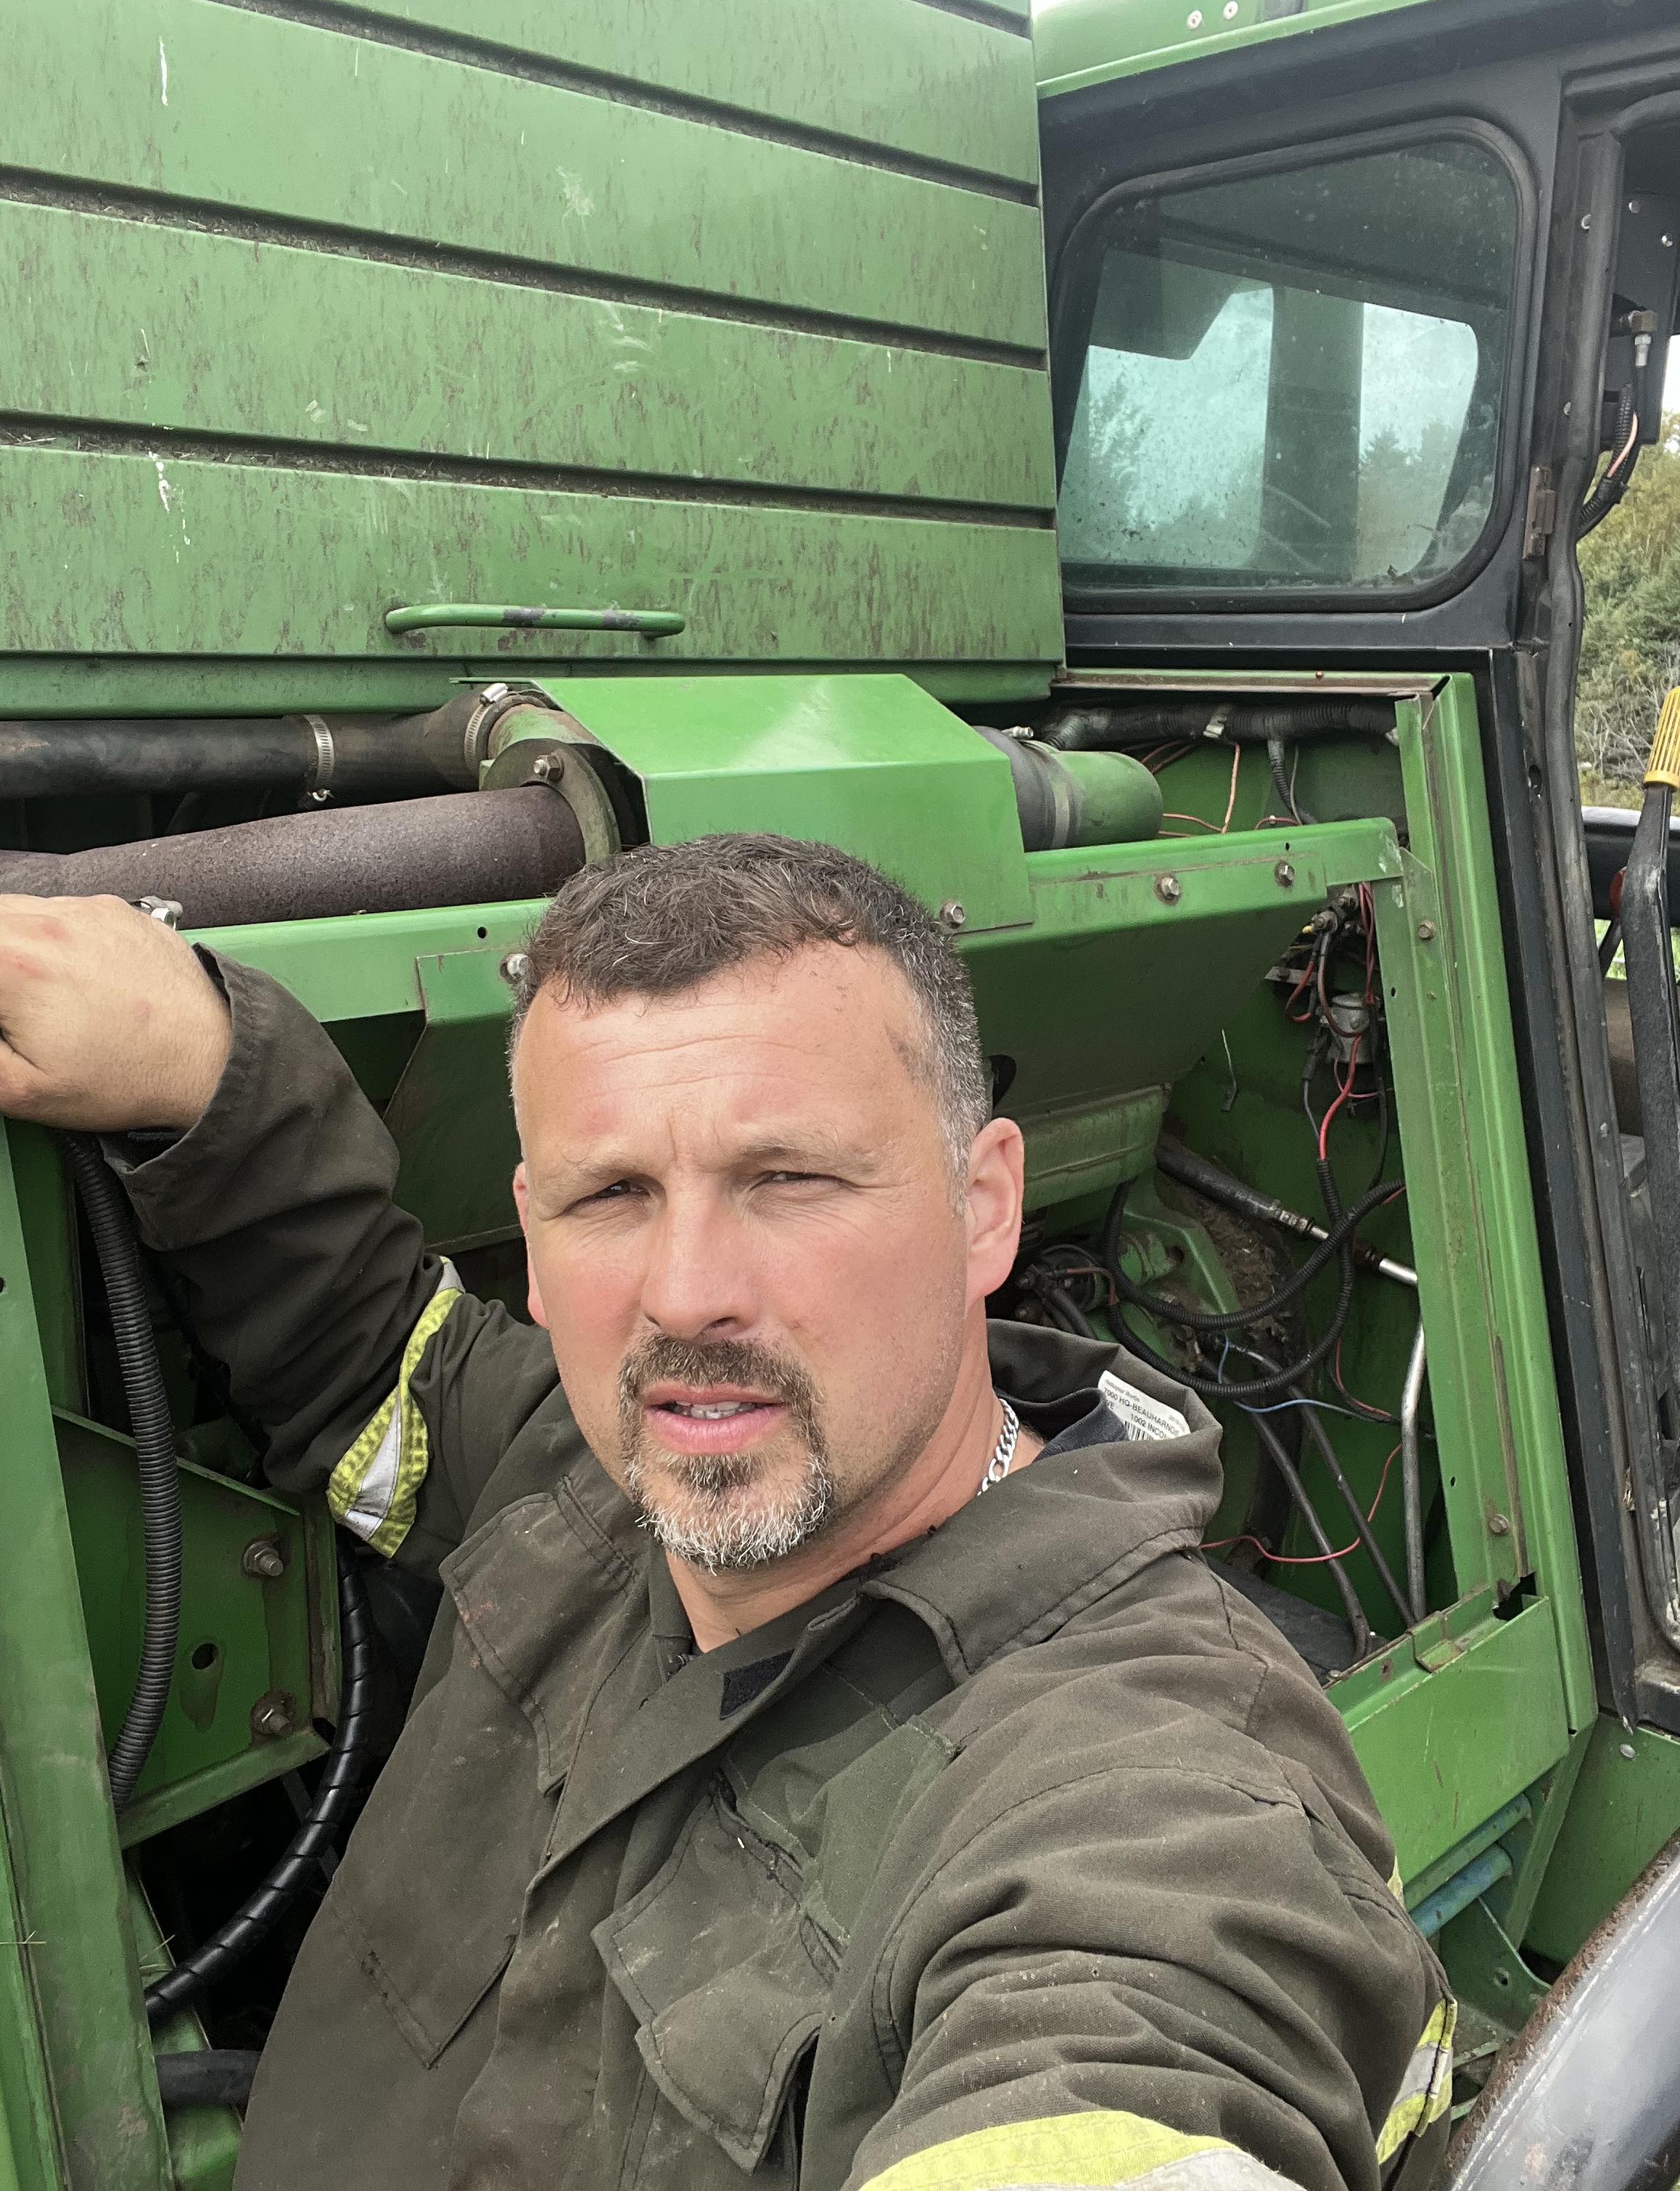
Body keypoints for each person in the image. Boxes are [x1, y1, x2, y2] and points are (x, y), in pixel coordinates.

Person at [0, 837, 1451, 2191]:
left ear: (986, 1204)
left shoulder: (1158, 1816)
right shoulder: (588, 1474)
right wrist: (208, 1068)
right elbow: (382, 1356)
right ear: (534, 1233)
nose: (688, 1293)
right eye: (612, 1195)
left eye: (788, 1178)